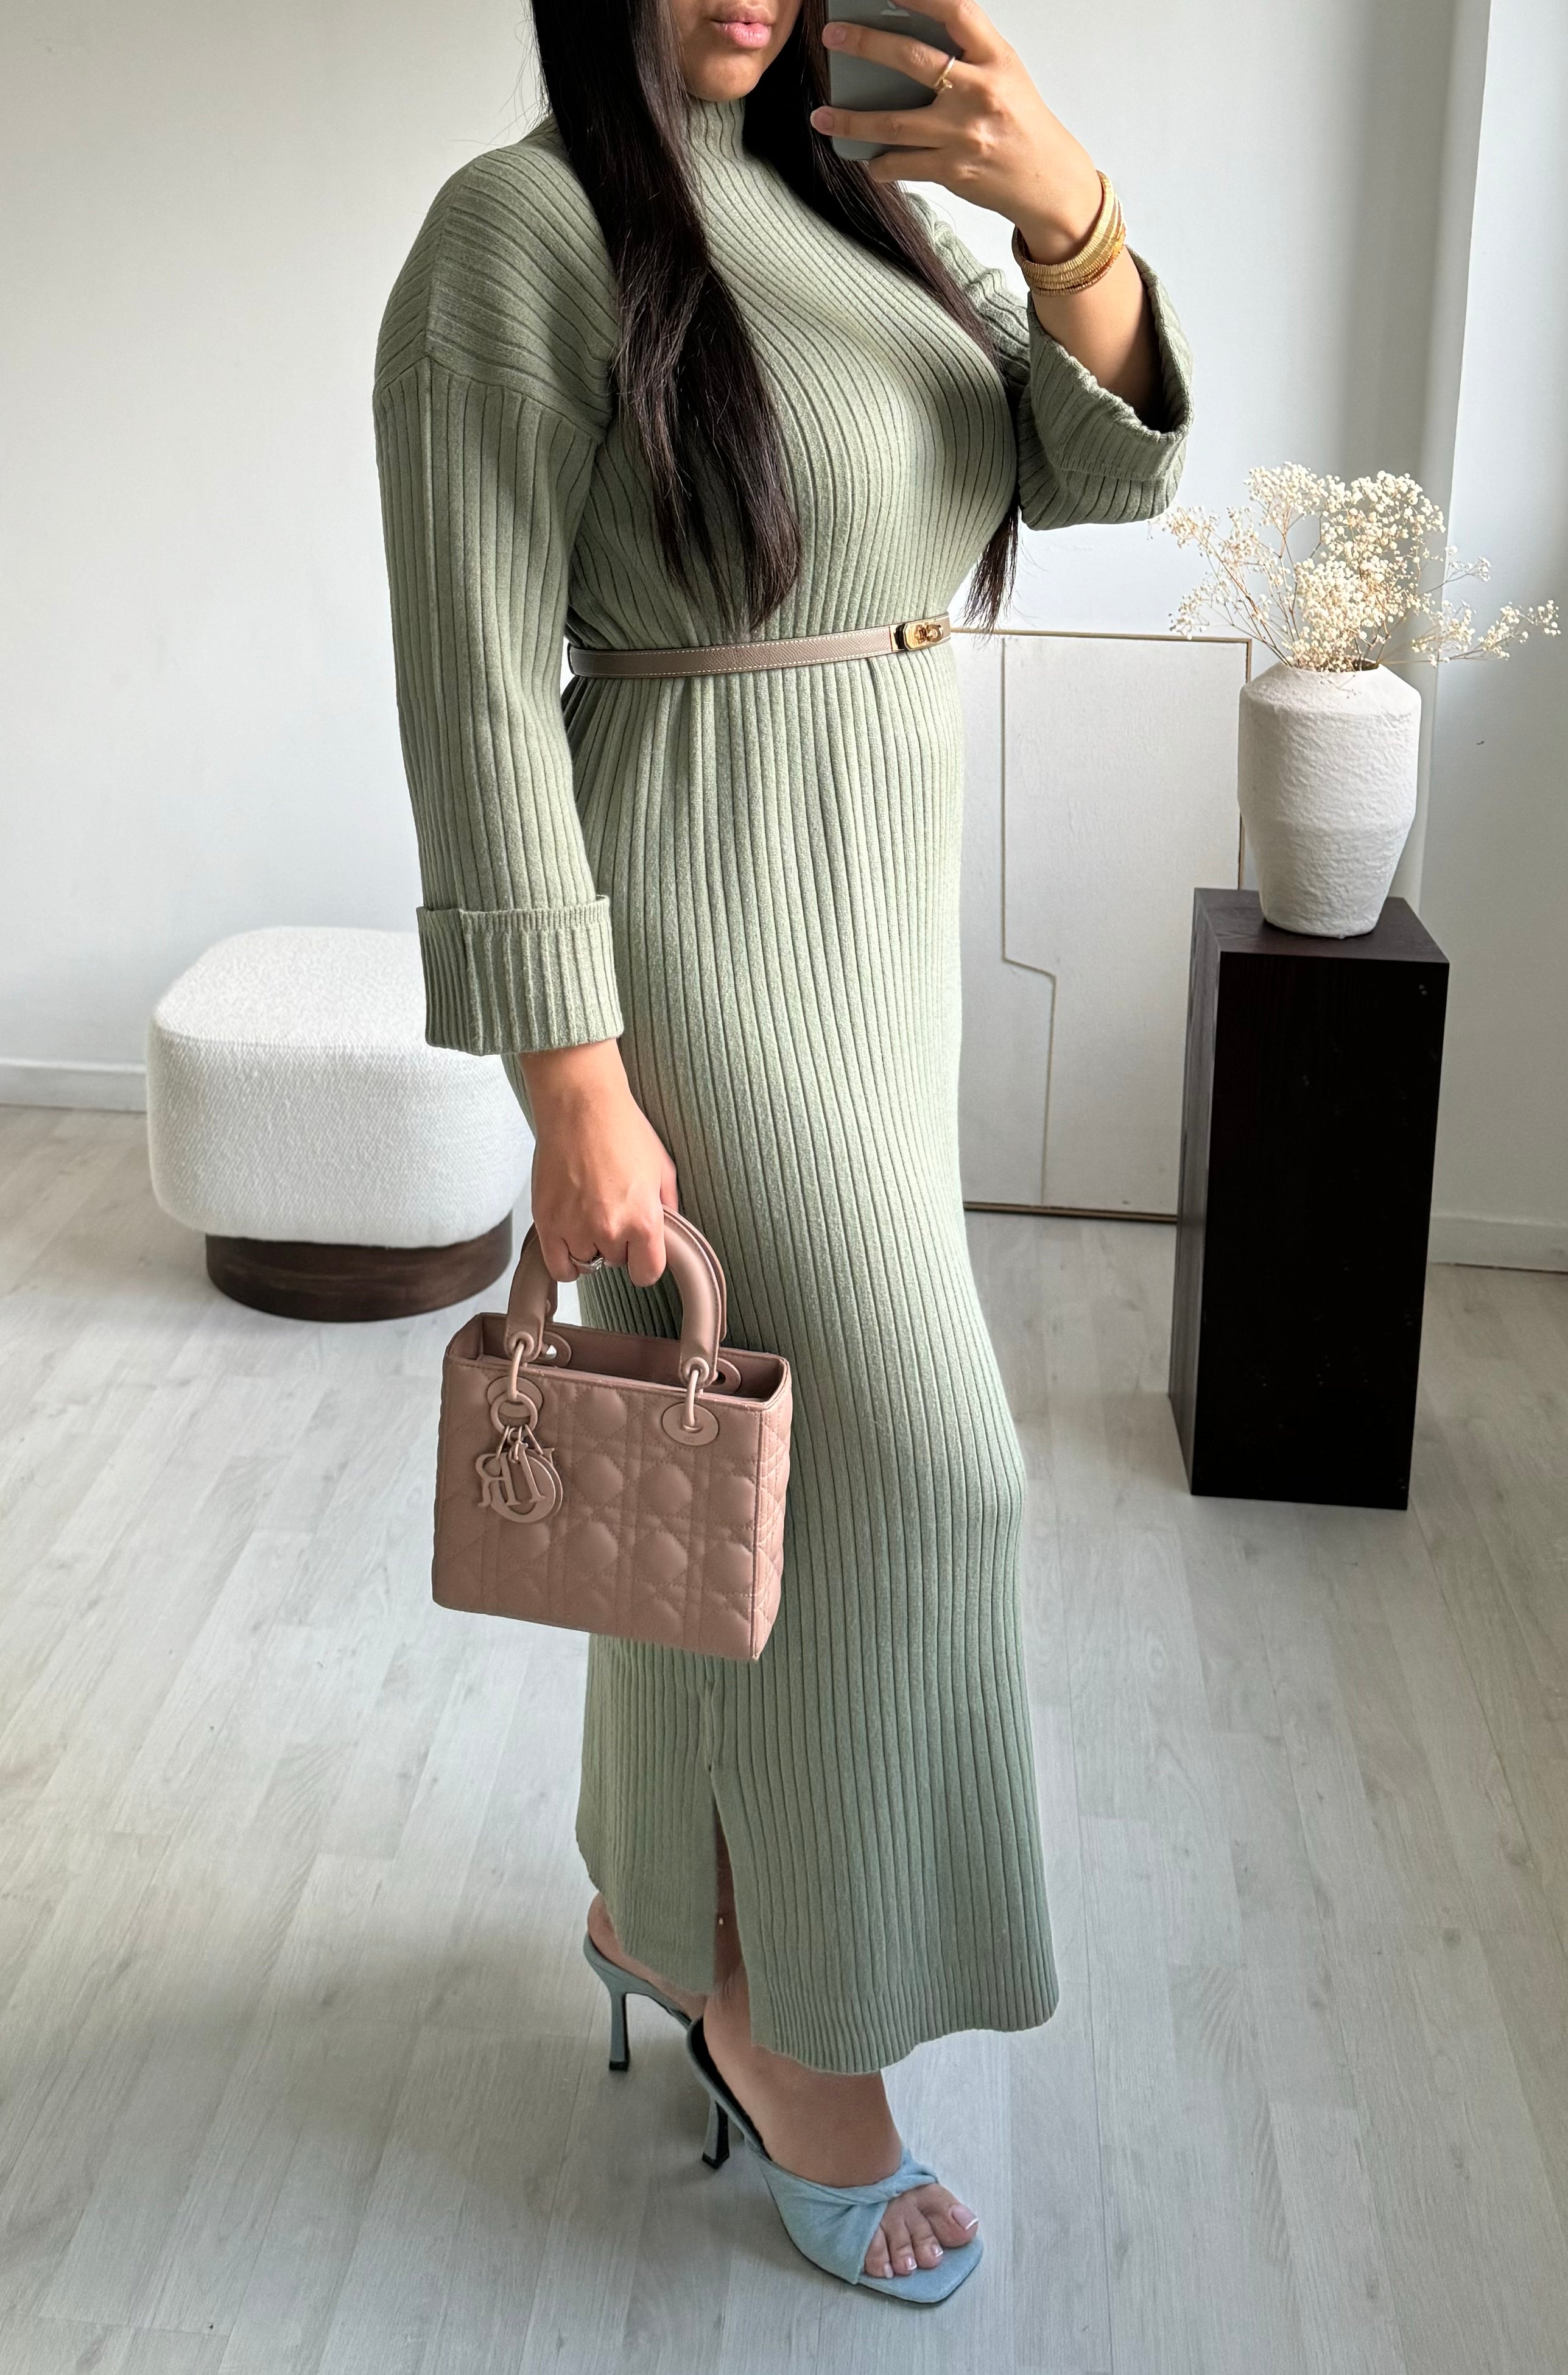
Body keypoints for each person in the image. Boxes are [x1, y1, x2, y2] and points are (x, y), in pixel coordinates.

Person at [374, 0, 1190, 2304]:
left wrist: (1068, 214)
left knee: (743, 1459)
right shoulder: (516, 236)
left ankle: (668, 1909)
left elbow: (1099, 474)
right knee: (927, 1467)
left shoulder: (862, 211)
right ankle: (793, 2031)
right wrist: (572, 1081)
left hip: (876, 899)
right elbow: (471, 688)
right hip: (695, 904)